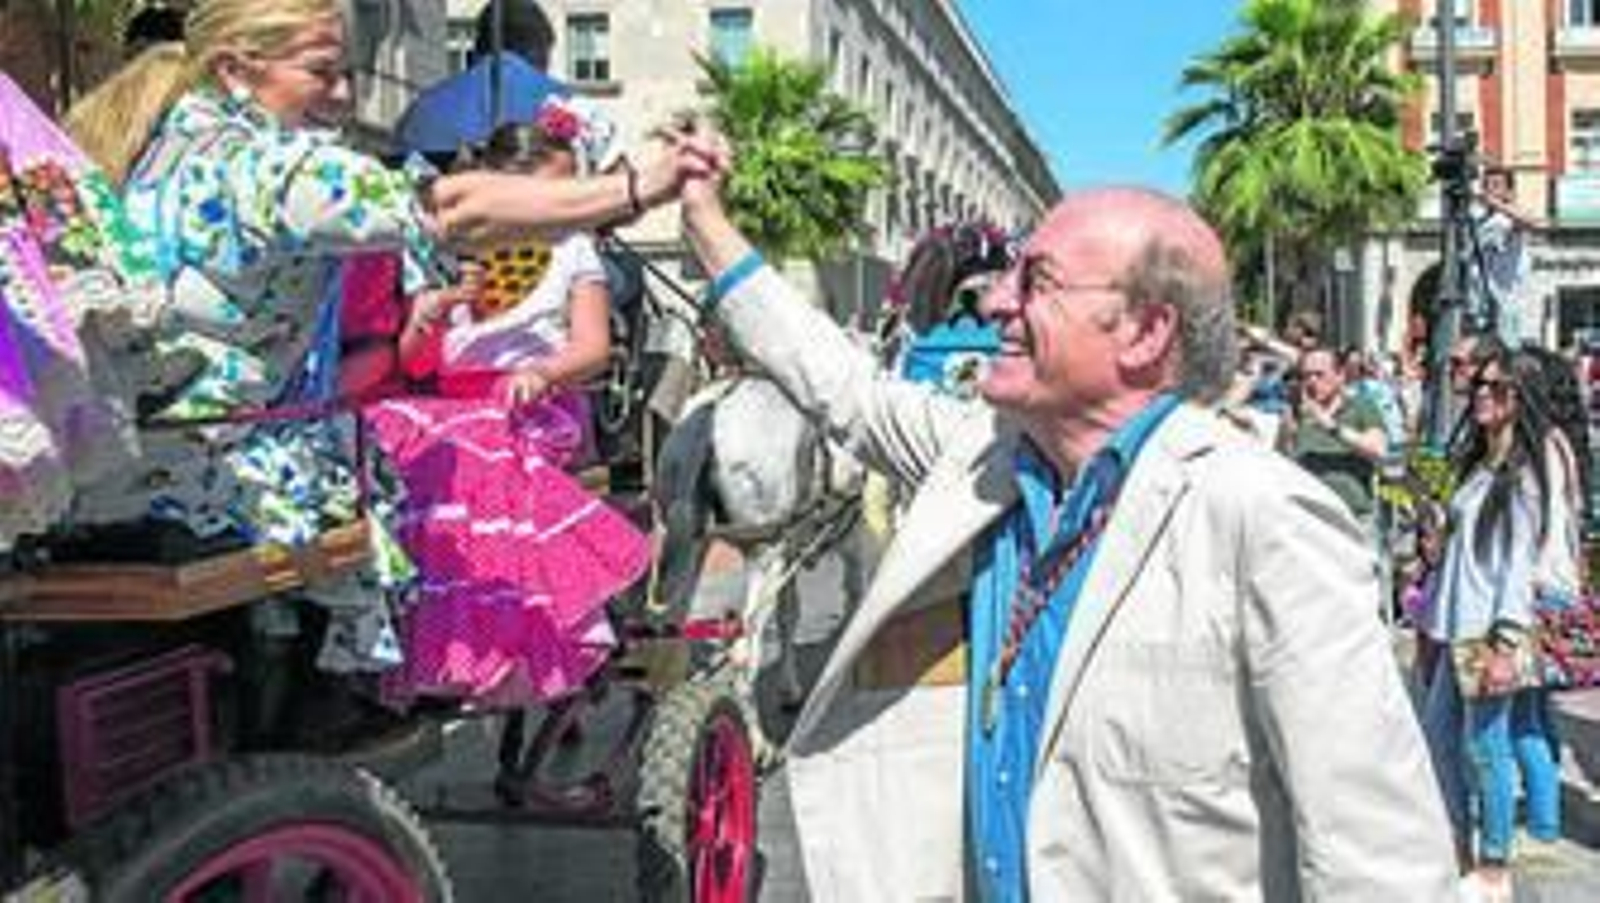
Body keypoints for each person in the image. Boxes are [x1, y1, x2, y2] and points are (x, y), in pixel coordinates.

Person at [675, 161, 1457, 897]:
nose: (993, 302)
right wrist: (707, 221)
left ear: (1146, 332)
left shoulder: (1263, 515)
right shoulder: (984, 458)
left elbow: (1380, 854)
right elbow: (841, 385)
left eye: (1036, 280)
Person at [362, 111, 648, 707]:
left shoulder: (572, 249)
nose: (568, 204)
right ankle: (422, 641)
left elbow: (593, 349)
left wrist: (541, 373)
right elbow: (413, 362)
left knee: (477, 445)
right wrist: (432, 310)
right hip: (444, 401)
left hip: (535, 402)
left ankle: (503, 651)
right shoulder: (450, 247)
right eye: (556, 192)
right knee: (389, 432)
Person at [1419, 340, 1564, 900]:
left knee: (1487, 748)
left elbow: (1516, 566)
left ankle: (1495, 865)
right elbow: (1471, 553)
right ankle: (1457, 848)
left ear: (1517, 399)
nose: (1479, 394)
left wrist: (1506, 643)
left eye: (1494, 387)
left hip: (1488, 631)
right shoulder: (1480, 466)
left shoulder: (1524, 477)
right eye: (1478, 385)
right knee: (1440, 740)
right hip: (1456, 624)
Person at [1282, 345, 1389, 523]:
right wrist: (1286, 431)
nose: (1311, 381)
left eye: (1319, 374)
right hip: (1308, 517)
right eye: (1306, 376)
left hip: (1351, 517)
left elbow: (1378, 449)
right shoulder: (1297, 411)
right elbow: (1284, 459)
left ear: (1340, 376)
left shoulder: (1361, 406)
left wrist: (1331, 427)